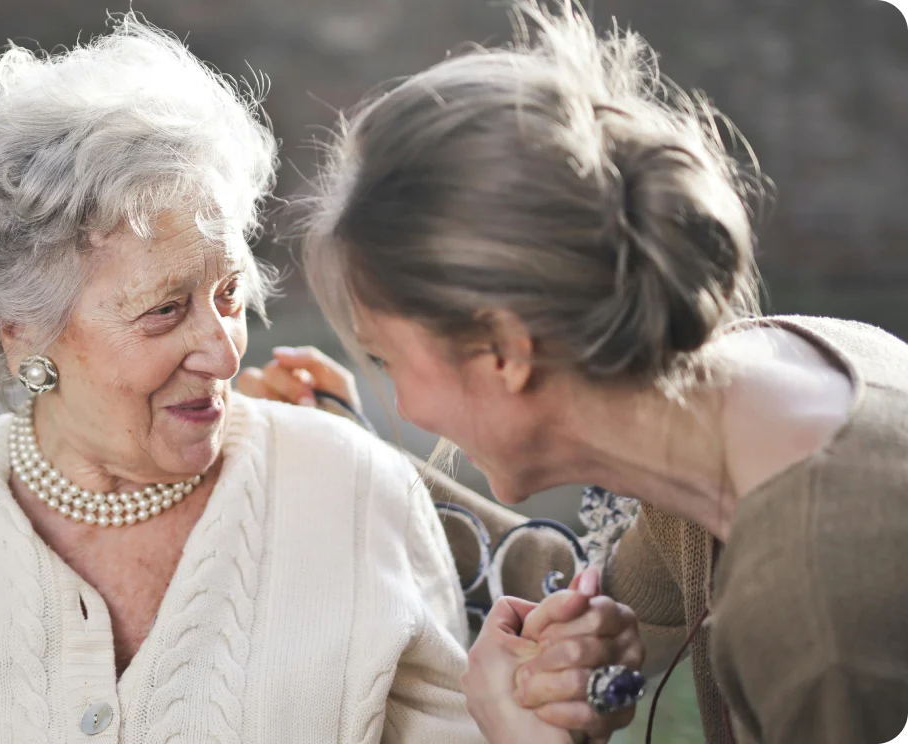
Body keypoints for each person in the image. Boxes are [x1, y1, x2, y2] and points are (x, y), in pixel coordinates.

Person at [0, 14, 643, 744]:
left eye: (229, 294)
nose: (224, 350)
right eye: (164, 311)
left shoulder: (351, 491)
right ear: (23, 335)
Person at [245, 2, 908, 742]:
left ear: (504, 350)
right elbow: (586, 595)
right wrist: (345, 452)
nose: (405, 402)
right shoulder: (753, 399)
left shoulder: (822, 620)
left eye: (386, 359)